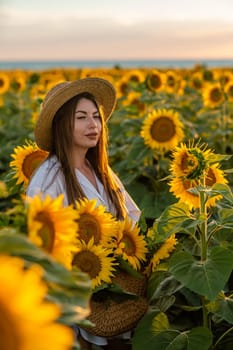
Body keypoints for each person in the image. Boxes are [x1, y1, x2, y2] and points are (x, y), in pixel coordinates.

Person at [26, 77, 142, 350]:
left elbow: (132, 220)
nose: (93, 125)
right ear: (61, 125)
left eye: (96, 117)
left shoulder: (101, 171)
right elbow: (41, 252)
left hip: (116, 299)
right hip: (76, 309)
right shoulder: (48, 179)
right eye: (81, 117)